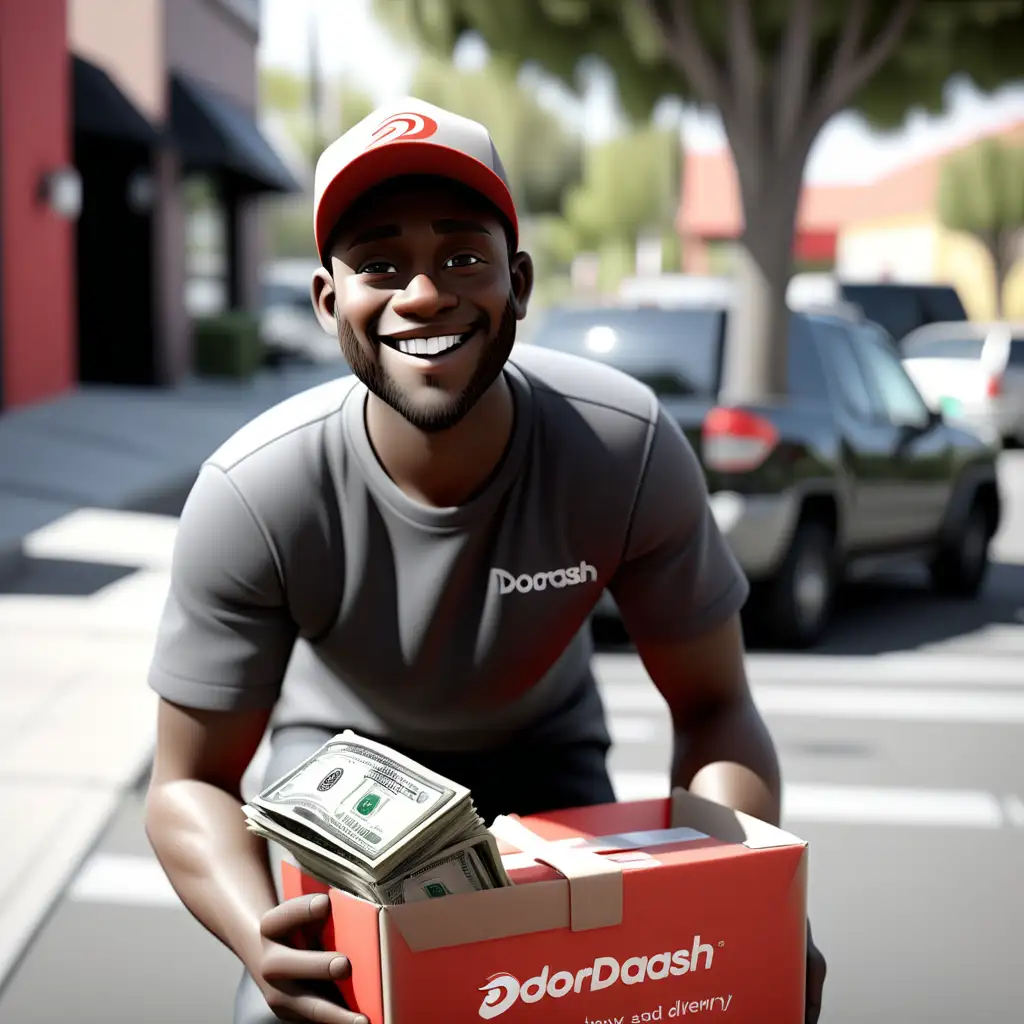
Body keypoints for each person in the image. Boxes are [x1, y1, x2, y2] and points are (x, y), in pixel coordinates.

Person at [143, 97, 826, 1024]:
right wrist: (257, 930)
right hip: (342, 786)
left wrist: (744, 882)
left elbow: (715, 707)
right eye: (379, 262)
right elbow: (189, 782)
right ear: (326, 298)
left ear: (520, 280)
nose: (424, 294)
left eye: (463, 256)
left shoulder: (622, 446)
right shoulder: (256, 492)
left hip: (549, 773)